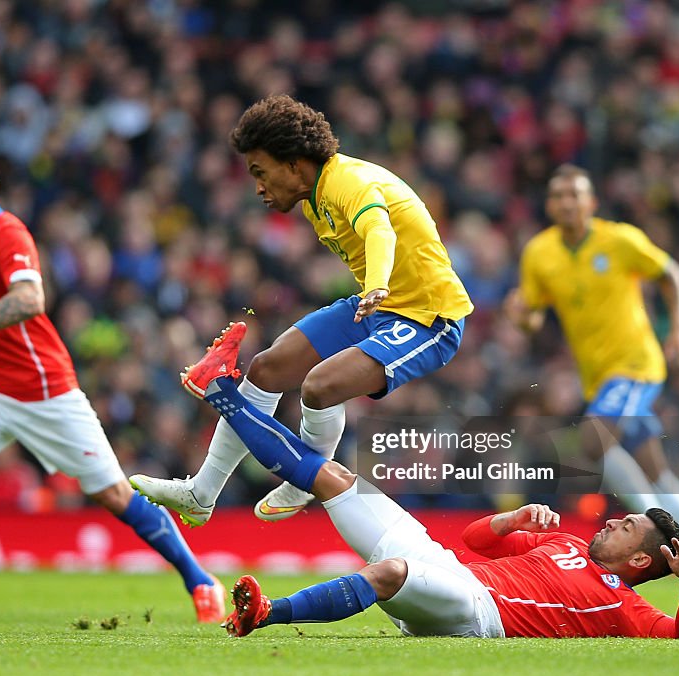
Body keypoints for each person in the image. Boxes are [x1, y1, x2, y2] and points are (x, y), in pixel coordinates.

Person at [179, 322, 679, 639]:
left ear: (640, 560)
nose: (615, 521)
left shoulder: (626, 609)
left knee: (388, 571)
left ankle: (267, 615)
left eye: (627, 527)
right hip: (454, 568)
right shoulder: (567, 542)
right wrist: (512, 519)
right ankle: (224, 392)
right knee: (338, 479)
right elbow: (475, 541)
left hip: (479, 614)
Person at [0, 141, 224, 622]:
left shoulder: (8, 235)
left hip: (48, 392)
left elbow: (30, 300)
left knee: (114, 497)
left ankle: (200, 579)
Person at [130, 94, 473, 526]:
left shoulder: (347, 181)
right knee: (268, 368)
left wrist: (380, 283)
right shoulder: (312, 198)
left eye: (261, 172)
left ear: (293, 163)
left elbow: (378, 230)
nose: (257, 187)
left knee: (318, 387)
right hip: (377, 306)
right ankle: (201, 494)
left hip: (427, 316)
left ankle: (304, 478)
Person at [502, 164, 679, 590]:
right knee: (651, 465)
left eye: (574, 195)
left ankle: (667, 540)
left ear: (590, 203)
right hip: (598, 379)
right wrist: (521, 317)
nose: (566, 203)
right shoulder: (539, 253)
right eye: (558, 196)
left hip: (637, 364)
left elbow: (671, 274)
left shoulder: (619, 239)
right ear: (549, 204)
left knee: (592, 440)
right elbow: (530, 316)